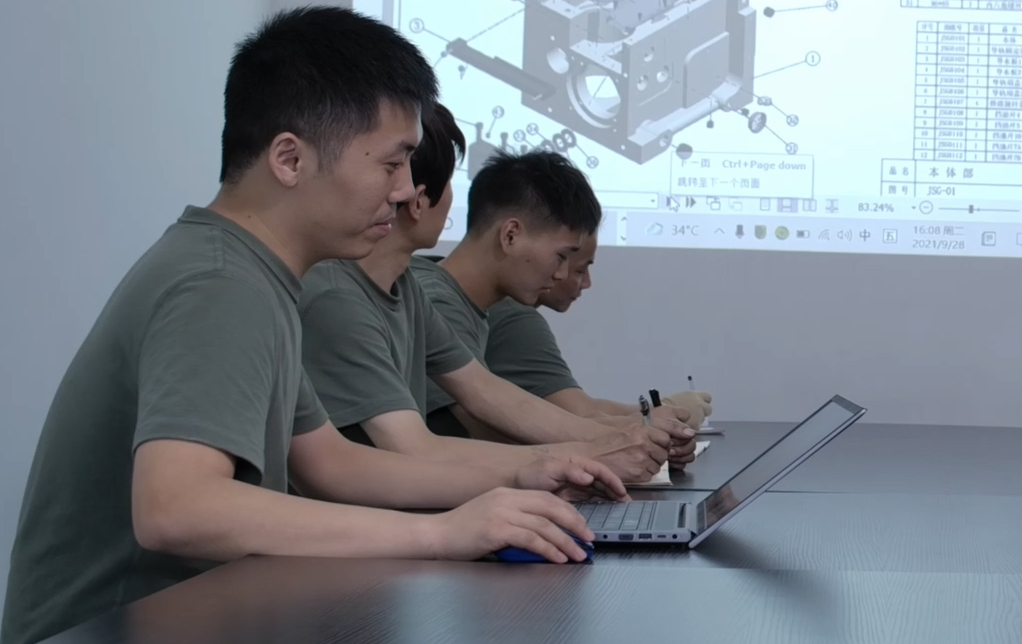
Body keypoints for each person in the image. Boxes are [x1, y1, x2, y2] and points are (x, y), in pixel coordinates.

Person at [2, 7, 617, 644]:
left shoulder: (257, 276)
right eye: (392, 164)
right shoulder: (220, 284)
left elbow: (330, 463)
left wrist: (525, 478)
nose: (405, 190)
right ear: (290, 159)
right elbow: (176, 508)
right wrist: (442, 534)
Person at [299, 100, 671, 481]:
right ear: (420, 200)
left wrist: (618, 440)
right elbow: (416, 448)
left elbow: (485, 390)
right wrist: (588, 455)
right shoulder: (337, 297)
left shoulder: (405, 288)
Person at [411, 150, 694, 456]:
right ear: (510, 235)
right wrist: (627, 437)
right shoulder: (438, 300)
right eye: (561, 256)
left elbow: (510, 408)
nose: (561, 274)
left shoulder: (457, 299)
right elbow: (488, 429)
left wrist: (636, 433)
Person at [487, 233, 713, 423]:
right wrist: (664, 412)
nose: (586, 283)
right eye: (578, 269)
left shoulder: (496, 310)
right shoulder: (514, 317)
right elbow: (580, 417)